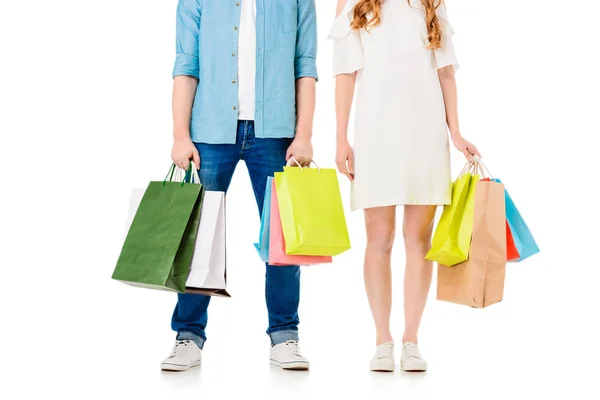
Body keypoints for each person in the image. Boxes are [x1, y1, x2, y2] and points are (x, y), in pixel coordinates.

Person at [162, 0, 318, 372]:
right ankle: (188, 336)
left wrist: (305, 135)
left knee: (282, 240)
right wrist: (180, 135)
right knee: (199, 238)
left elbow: (305, 64)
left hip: (276, 133)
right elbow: (186, 64)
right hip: (211, 132)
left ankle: (284, 335)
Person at [331, 0, 480, 372]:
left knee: (419, 239)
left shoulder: (431, 3)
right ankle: (383, 340)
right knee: (378, 237)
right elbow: (345, 73)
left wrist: (456, 132)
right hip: (376, 133)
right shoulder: (353, 4)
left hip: (426, 132)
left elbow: (445, 72)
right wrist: (340, 139)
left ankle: (411, 340)